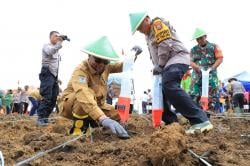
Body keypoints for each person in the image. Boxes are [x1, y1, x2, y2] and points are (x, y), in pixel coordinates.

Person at [129, 12, 213, 134]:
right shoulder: (148, 35)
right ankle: (170, 122)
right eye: (138, 29)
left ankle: (200, 119)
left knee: (169, 84)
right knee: (162, 90)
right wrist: (157, 67)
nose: (140, 31)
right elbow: (154, 54)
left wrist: (160, 65)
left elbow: (165, 44)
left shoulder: (157, 24)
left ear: (147, 19)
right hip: (167, 64)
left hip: (177, 58)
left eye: (140, 27)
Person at [59, 36, 129, 139]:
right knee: (86, 94)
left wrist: (133, 55)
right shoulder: (81, 70)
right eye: (97, 60)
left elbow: (123, 66)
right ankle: (79, 131)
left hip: (96, 105)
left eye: (105, 62)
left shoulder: (106, 67)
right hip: (72, 106)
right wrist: (103, 118)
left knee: (117, 114)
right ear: (89, 56)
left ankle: (93, 122)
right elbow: (82, 93)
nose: (101, 65)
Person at [36, 31, 66, 126]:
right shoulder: (47, 46)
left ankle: (45, 118)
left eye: (58, 36)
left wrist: (57, 77)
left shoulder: (57, 50)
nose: (57, 37)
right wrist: (59, 43)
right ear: (50, 37)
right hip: (47, 74)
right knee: (47, 97)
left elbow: (55, 65)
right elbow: (50, 51)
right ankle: (40, 118)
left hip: (54, 76)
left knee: (53, 98)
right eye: (55, 36)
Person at [189, 28, 223, 111]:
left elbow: (220, 58)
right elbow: (189, 61)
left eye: (201, 38)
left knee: (212, 93)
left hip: (211, 74)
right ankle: (196, 113)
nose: (199, 40)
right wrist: (196, 67)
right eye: (197, 39)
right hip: (197, 75)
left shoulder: (214, 46)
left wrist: (212, 68)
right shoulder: (193, 50)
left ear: (205, 36)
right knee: (194, 94)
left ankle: (209, 112)